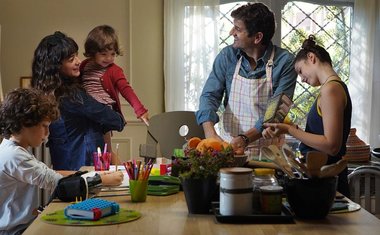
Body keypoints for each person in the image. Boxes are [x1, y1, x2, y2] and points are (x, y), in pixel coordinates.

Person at [0, 88, 124, 234]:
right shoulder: (15, 156)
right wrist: (102, 180)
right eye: (44, 126)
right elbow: (61, 185)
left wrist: (89, 173)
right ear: (25, 123)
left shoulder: (11, 149)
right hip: (16, 231)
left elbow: (51, 173)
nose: (48, 133)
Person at [195, 2, 297, 157]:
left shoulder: (285, 62)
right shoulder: (227, 56)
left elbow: (275, 112)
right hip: (229, 148)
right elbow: (209, 96)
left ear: (257, 37)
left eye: (238, 29)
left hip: (268, 153)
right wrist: (211, 134)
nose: (231, 33)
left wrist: (244, 139)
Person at [262, 35, 352, 197]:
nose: (302, 79)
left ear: (311, 58)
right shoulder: (333, 88)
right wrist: (287, 129)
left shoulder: (330, 90)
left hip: (327, 183)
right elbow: (322, 138)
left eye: (300, 71)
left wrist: (290, 130)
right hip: (322, 181)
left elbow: (331, 146)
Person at [31, 31, 125, 171]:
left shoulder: (48, 91)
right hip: (82, 164)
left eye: (76, 55)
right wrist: (119, 119)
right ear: (56, 66)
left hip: (64, 161)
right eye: (71, 59)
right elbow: (113, 120)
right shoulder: (72, 96)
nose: (78, 61)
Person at [81, 25, 149, 163]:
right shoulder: (84, 66)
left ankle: (120, 173)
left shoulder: (115, 70)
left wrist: (140, 110)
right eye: (104, 54)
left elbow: (126, 90)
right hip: (87, 111)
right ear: (93, 52)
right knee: (92, 149)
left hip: (104, 112)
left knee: (106, 150)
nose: (109, 58)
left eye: (112, 54)